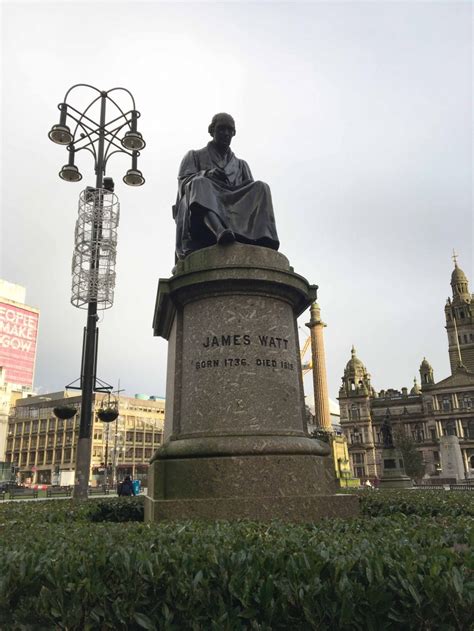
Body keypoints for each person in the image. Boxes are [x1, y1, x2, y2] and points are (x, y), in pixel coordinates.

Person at [173, 113, 280, 260]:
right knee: (199, 182)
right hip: (206, 203)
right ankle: (219, 231)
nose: (226, 133)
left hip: (233, 204)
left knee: (261, 187)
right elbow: (183, 185)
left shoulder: (241, 165)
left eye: (230, 130)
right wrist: (208, 174)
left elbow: (249, 195)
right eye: (221, 129)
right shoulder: (194, 156)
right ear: (212, 131)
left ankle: (263, 240)